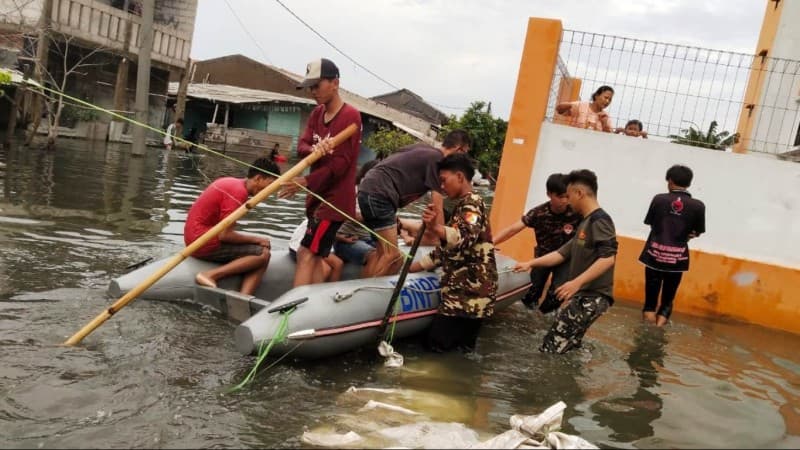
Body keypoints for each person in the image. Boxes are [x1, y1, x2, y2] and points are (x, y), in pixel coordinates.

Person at [514, 169, 618, 354]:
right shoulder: (585, 222)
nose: (568, 201)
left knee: (549, 348)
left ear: (580, 193)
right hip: (583, 297)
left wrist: (576, 283)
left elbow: (608, 258)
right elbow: (561, 254)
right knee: (568, 348)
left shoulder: (600, 221)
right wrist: (530, 263)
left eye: (569, 196)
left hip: (592, 298)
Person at [279, 57, 362, 287]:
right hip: (316, 198)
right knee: (315, 256)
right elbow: (301, 146)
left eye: (317, 85)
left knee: (305, 252)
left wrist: (305, 181)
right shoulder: (317, 113)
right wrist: (315, 149)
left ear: (335, 83)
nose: (313, 91)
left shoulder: (350, 116)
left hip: (333, 202)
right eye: (310, 87)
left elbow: (340, 166)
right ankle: (311, 299)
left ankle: (294, 305)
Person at [409, 153, 497, 353]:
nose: (442, 186)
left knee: (435, 348)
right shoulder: (463, 207)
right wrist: (412, 267)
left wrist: (435, 228)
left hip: (467, 297)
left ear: (459, 177)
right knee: (459, 351)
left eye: (444, 180)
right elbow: (446, 251)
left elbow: (463, 238)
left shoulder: (472, 205)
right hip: (468, 296)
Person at [358, 129, 471, 277]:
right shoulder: (437, 160)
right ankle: (371, 291)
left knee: (380, 252)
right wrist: (441, 235)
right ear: (459, 149)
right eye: (465, 153)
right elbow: (437, 202)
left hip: (367, 189)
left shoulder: (421, 148)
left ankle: (361, 285)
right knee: (393, 256)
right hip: (380, 195)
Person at [185, 158, 280, 295]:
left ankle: (244, 297)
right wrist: (257, 239)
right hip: (201, 242)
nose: (270, 192)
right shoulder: (239, 193)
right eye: (270, 185)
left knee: (261, 250)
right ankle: (210, 275)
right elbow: (225, 235)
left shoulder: (232, 182)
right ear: (258, 178)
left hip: (194, 237)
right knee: (263, 254)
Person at [493, 173, 581, 312]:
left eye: (567, 196)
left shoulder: (577, 212)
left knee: (557, 294)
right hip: (542, 258)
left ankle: (546, 316)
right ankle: (528, 317)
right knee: (531, 294)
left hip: (565, 259)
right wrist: (491, 243)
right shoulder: (539, 213)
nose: (564, 201)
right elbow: (513, 229)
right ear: (549, 194)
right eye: (560, 197)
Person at [639, 164, 705, 327]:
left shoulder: (659, 199)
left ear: (670, 180)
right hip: (677, 260)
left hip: (654, 257)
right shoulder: (698, 206)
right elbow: (697, 232)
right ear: (689, 183)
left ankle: (648, 330)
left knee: (650, 301)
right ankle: (659, 328)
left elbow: (651, 223)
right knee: (668, 300)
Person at [288, 218, 344, 282]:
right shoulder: (325, 219)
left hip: (309, 245)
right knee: (333, 266)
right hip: (299, 247)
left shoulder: (330, 219)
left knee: (333, 265)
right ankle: (326, 286)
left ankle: (330, 287)